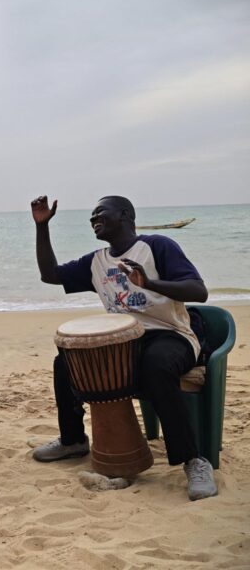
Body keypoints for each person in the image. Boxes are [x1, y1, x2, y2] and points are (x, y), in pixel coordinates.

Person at [29, 194, 216, 501]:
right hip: (126, 341)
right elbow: (50, 275)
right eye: (90, 216)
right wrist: (41, 227)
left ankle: (193, 460)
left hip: (171, 335)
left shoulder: (157, 246)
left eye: (100, 212)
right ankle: (73, 440)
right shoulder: (97, 262)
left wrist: (150, 284)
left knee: (156, 365)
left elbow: (199, 291)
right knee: (65, 362)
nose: (93, 218)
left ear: (126, 215)